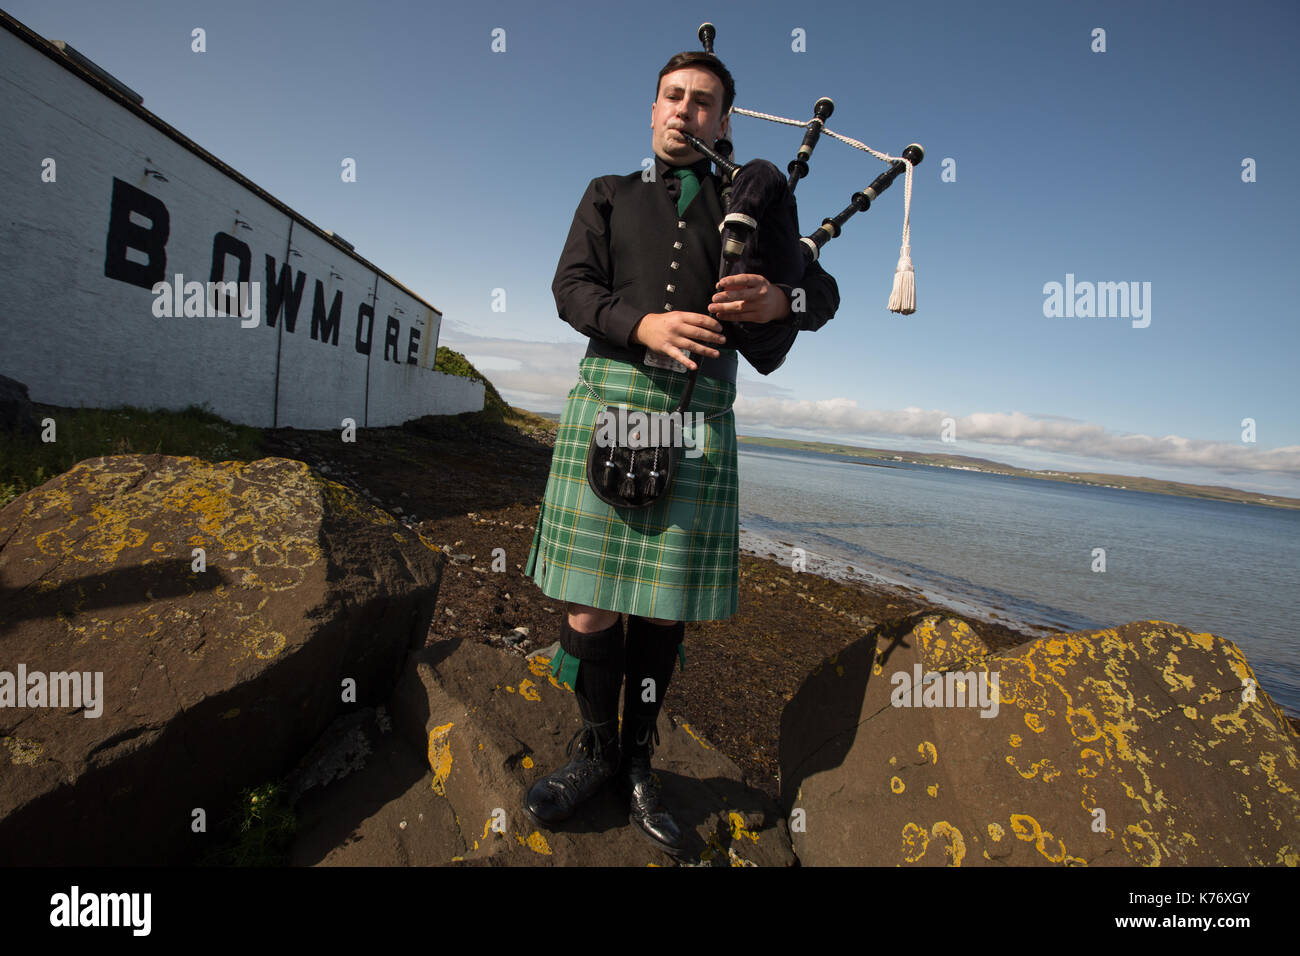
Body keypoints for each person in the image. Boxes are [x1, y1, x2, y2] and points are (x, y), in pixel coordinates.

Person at [521, 49, 840, 857]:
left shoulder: (750, 207)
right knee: (592, 601)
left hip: (695, 416)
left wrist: (779, 297)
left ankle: (637, 763)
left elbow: (823, 296)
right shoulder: (609, 194)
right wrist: (643, 324)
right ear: (653, 106)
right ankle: (593, 750)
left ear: (724, 120)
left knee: (661, 606)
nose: (684, 111)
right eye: (673, 96)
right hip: (613, 404)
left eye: (703, 103)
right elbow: (570, 287)